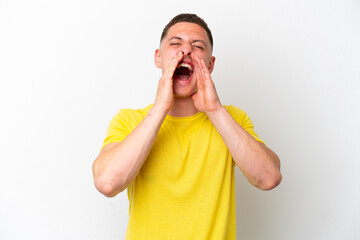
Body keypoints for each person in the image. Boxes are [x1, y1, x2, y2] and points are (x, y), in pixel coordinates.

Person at [92, 13, 282, 240]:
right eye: (175, 43)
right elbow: (106, 182)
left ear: (210, 65)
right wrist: (161, 108)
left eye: (197, 46)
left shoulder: (232, 119)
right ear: (158, 58)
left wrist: (215, 110)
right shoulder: (129, 120)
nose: (186, 51)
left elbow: (269, 177)